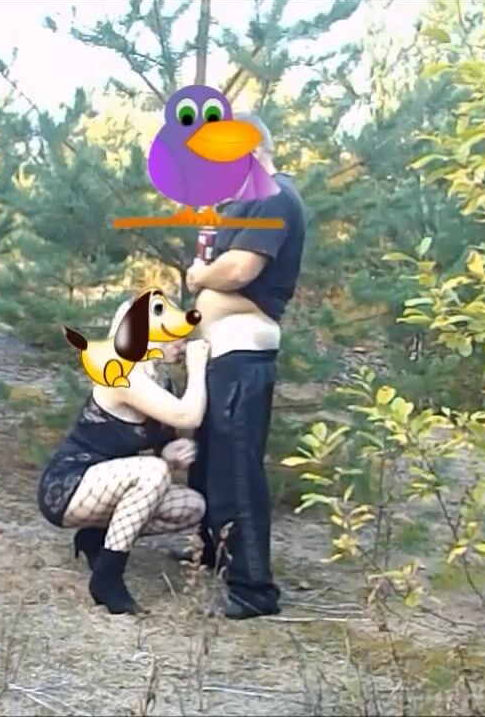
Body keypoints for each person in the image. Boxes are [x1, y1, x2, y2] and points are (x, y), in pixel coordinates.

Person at [179, 111, 308, 620]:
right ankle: (214, 551)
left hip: (244, 348)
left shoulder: (273, 195)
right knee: (210, 460)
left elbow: (238, 270)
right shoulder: (246, 200)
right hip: (221, 348)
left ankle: (254, 589)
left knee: (237, 467)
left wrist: (199, 277)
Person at [36, 299, 213, 615]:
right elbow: (188, 415)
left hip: (108, 487)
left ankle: (96, 537)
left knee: (192, 506)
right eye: (175, 335)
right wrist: (198, 369)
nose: (182, 343)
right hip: (69, 485)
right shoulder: (122, 373)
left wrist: (172, 451)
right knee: (153, 471)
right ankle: (108, 578)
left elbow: (180, 430)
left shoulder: (160, 380)